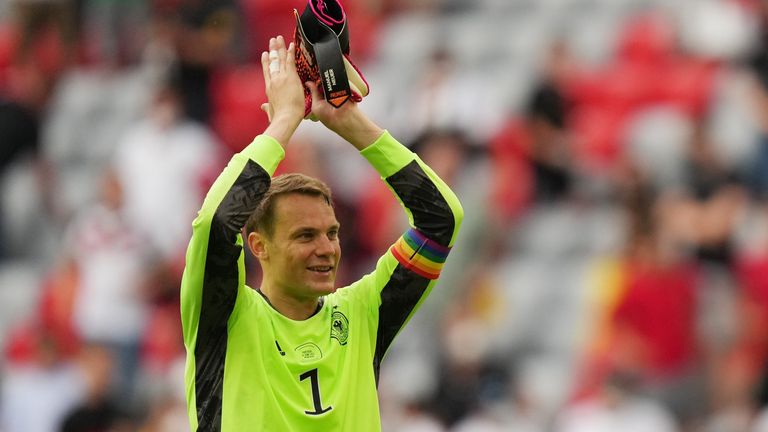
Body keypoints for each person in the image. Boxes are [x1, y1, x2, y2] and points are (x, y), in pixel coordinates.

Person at [180, 35, 463, 431]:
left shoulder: (363, 313)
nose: (326, 248)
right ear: (258, 245)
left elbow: (441, 220)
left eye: (332, 233)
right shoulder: (225, 315)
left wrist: (352, 125)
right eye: (305, 235)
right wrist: (284, 121)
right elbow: (216, 222)